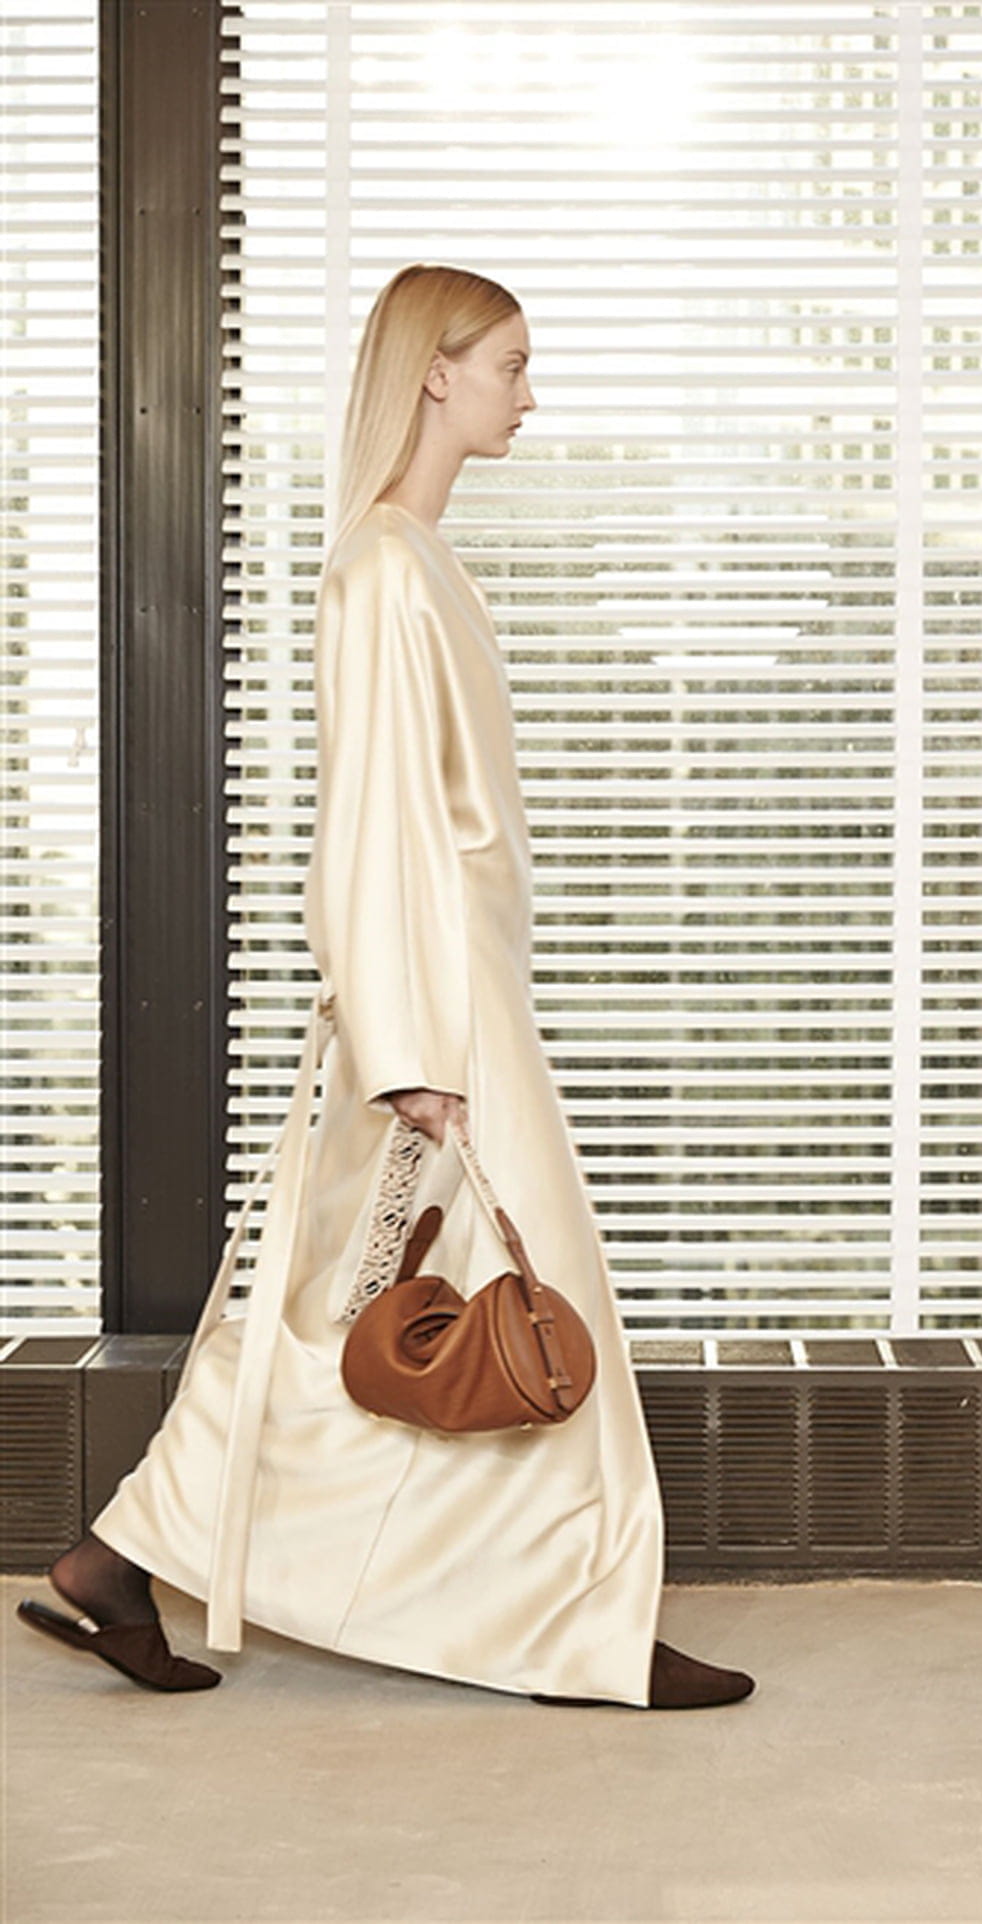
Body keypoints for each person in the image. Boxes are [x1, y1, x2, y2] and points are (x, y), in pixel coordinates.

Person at [17, 264, 755, 1712]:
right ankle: (580, 1630)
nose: (529, 394)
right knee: (528, 1305)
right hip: (437, 1009)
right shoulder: (381, 570)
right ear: (436, 371)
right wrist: (413, 1049)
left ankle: (119, 1560)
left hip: (454, 994)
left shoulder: (416, 560)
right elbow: (370, 824)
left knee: (351, 1313)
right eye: (512, 365)